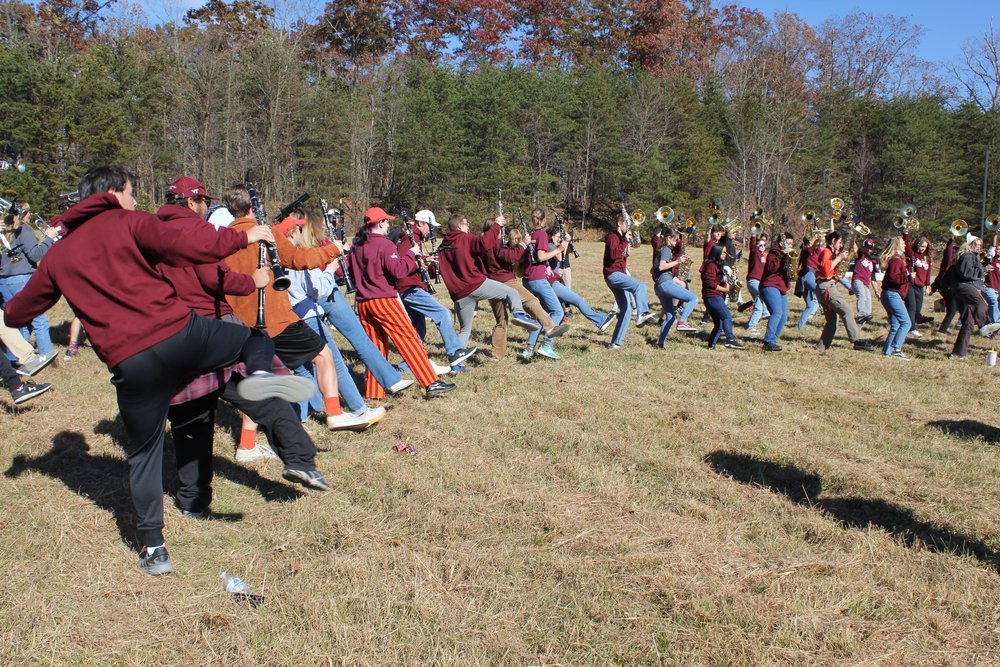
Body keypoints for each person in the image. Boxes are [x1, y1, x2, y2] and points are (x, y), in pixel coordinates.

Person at [3, 166, 315, 575]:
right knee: (252, 340)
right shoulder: (131, 222)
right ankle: (256, 376)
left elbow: (16, 313)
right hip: (179, 334)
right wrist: (242, 236)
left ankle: (154, 549)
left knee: (143, 455)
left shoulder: (59, 255)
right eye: (131, 192)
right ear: (114, 194)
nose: (135, 200)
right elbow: (188, 248)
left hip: (130, 363)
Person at [155, 179, 335, 515]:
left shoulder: (149, 234)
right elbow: (213, 279)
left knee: (190, 418)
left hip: (173, 335)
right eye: (203, 202)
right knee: (263, 389)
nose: (207, 208)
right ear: (193, 202)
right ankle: (299, 458)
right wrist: (253, 281)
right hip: (214, 327)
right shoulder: (197, 232)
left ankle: (193, 502)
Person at [219, 184, 370, 433]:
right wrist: (334, 249)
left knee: (257, 378)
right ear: (251, 207)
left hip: (239, 322)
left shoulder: (222, 239)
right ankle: (334, 414)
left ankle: (246, 445)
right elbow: (300, 260)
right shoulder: (265, 233)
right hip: (275, 319)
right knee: (323, 354)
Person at [283, 211, 385, 426]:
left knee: (303, 369)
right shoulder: (297, 255)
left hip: (290, 317)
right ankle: (358, 408)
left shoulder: (278, 255)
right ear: (293, 232)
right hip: (306, 315)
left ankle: (298, 419)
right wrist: (330, 269)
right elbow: (317, 289)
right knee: (334, 362)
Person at [350, 207, 456, 398]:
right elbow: (397, 271)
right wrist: (411, 255)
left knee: (376, 347)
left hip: (363, 302)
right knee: (409, 339)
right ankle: (430, 382)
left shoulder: (357, 246)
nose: (389, 225)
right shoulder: (384, 245)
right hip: (383, 299)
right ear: (380, 223)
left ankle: (374, 391)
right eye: (387, 221)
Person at [437, 213, 543, 350]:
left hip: (458, 295)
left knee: (464, 330)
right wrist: (497, 225)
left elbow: (435, 270)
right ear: (460, 226)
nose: (469, 227)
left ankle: (456, 361)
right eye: (467, 224)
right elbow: (484, 243)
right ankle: (519, 314)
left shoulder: (443, 246)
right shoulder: (465, 238)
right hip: (475, 285)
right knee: (511, 292)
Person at [397, 210, 477, 369]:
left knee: (419, 329)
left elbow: (411, 261)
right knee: (442, 313)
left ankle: (407, 365)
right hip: (409, 287)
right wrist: (421, 263)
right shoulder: (410, 239)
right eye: (429, 226)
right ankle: (454, 352)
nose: (430, 230)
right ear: (421, 223)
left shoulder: (417, 238)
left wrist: (425, 260)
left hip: (409, 286)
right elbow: (400, 265)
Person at [481, 224, 563, 361]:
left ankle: (496, 356)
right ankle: (549, 326)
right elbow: (509, 257)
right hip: (505, 280)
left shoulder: (480, 245)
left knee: (501, 320)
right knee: (531, 301)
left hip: (490, 284)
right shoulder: (494, 243)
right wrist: (523, 244)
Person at [0, 200, 59, 361]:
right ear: (20, 214)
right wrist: (49, 239)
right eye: (27, 212)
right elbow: (35, 254)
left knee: (17, 320)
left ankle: (17, 357)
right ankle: (47, 356)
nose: (30, 214)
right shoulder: (23, 230)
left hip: (4, 281)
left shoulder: (4, 230)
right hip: (22, 279)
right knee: (39, 318)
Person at [814, 231, 873, 352]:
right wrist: (840, 257)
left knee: (832, 322)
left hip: (826, 286)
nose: (841, 245)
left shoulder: (830, 253)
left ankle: (820, 348)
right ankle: (856, 340)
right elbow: (826, 271)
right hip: (826, 287)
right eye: (840, 242)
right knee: (847, 311)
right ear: (833, 241)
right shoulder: (826, 252)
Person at [604, 214, 656, 349]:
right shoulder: (612, 236)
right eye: (627, 224)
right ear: (620, 224)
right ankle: (642, 313)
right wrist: (625, 242)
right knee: (640, 285)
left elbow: (622, 256)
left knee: (626, 310)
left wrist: (627, 245)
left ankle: (615, 343)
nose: (629, 227)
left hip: (619, 274)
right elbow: (614, 255)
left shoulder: (621, 239)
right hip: (613, 274)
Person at [651, 226, 697, 348]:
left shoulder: (660, 250)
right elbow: (661, 267)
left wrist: (678, 281)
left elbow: (657, 271)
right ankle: (682, 322)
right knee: (693, 299)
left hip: (660, 287)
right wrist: (678, 261)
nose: (677, 242)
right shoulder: (666, 250)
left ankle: (660, 343)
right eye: (676, 239)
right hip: (665, 285)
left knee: (670, 317)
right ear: (669, 238)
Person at [948, 235, 990, 361]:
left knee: (968, 323)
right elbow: (966, 273)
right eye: (976, 244)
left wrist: (983, 269)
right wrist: (981, 271)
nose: (978, 247)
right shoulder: (968, 255)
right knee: (981, 303)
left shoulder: (971, 256)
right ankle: (984, 325)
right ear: (969, 244)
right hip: (965, 288)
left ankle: (958, 353)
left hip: (961, 289)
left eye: (980, 245)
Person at [700, 243, 743, 350]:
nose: (725, 254)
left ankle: (711, 346)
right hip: (712, 297)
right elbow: (709, 283)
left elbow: (722, 282)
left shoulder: (718, 266)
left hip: (715, 297)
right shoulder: (711, 265)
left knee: (719, 325)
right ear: (717, 252)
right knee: (727, 316)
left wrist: (732, 278)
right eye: (724, 252)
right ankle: (730, 339)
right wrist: (725, 289)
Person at [759, 232, 794, 351]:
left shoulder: (789, 255)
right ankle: (768, 341)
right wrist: (782, 255)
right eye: (789, 244)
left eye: (792, 244)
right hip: (769, 285)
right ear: (781, 244)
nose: (791, 246)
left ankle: (773, 340)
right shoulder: (774, 253)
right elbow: (771, 268)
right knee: (777, 312)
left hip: (781, 287)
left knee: (784, 317)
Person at [878, 237, 911, 360]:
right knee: (906, 322)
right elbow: (893, 278)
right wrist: (908, 278)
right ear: (896, 245)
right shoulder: (896, 261)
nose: (905, 246)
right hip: (892, 295)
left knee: (896, 325)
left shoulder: (896, 260)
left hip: (888, 294)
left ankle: (887, 352)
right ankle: (897, 349)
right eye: (902, 244)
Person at [903, 232, 932, 337]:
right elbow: (906, 245)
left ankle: (908, 324)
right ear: (917, 245)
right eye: (921, 246)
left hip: (920, 286)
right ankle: (912, 328)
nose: (923, 248)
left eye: (925, 247)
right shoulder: (912, 255)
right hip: (911, 285)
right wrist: (906, 234)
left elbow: (928, 273)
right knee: (912, 307)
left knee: (918, 309)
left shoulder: (927, 259)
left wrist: (928, 285)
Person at [796, 235, 823, 330]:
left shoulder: (815, 249)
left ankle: (800, 326)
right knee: (821, 291)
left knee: (810, 305)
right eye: (813, 238)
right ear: (810, 241)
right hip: (807, 276)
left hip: (811, 276)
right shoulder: (807, 249)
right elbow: (814, 245)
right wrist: (817, 238)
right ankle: (824, 308)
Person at [932, 236, 959, 333]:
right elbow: (948, 252)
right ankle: (942, 330)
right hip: (947, 288)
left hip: (946, 288)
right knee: (952, 310)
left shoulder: (951, 263)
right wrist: (951, 241)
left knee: (954, 309)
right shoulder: (948, 262)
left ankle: (947, 328)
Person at [744, 233, 769, 333]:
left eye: (764, 245)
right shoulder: (755, 253)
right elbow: (752, 245)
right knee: (759, 305)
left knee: (759, 303)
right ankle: (751, 327)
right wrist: (753, 234)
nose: (762, 247)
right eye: (760, 245)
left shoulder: (764, 257)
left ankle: (749, 324)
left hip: (759, 282)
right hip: (753, 281)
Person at [851, 238, 879, 325]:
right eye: (867, 247)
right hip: (857, 280)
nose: (869, 249)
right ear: (863, 247)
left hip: (866, 284)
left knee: (868, 305)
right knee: (862, 296)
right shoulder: (860, 255)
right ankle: (861, 315)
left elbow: (873, 279)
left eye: (870, 248)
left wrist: (876, 291)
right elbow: (853, 245)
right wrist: (853, 233)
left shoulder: (873, 261)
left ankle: (857, 329)